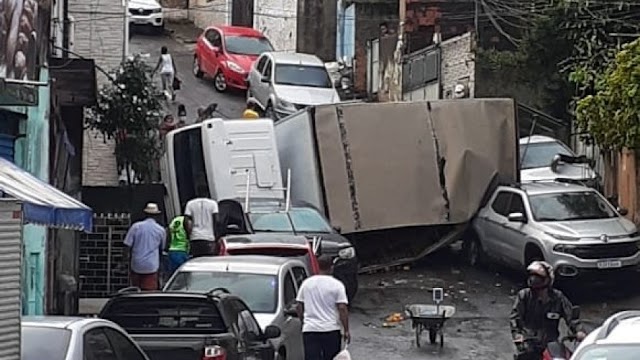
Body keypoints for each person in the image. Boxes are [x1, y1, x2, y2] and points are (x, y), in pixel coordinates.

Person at [510, 261, 586, 358]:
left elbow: (571, 317)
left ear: (548, 280)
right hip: (529, 344)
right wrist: (517, 335)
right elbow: (515, 318)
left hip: (551, 345)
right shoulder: (524, 296)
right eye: (533, 277)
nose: (535, 281)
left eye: (538, 278)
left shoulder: (558, 297)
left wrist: (579, 331)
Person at [296, 255, 350, 360]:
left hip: (310, 329)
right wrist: (346, 330)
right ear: (332, 267)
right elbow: (342, 308)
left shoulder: (307, 283)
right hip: (331, 330)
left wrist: (304, 322)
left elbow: (299, 306)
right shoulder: (337, 285)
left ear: (317, 265)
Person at [123, 203, 166, 290]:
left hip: (136, 265)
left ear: (145, 214)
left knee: (135, 290)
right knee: (148, 292)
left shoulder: (136, 227)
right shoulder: (161, 230)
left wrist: (125, 261)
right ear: (157, 216)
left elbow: (127, 245)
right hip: (151, 266)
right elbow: (162, 249)